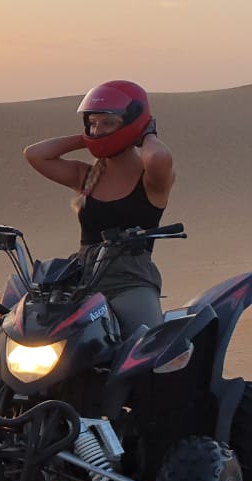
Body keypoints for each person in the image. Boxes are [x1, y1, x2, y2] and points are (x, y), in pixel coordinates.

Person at [23, 79, 175, 332]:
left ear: (131, 124)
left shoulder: (151, 180)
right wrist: (89, 138)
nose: (97, 130)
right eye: (92, 123)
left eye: (108, 123)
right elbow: (35, 153)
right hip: (81, 278)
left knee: (147, 348)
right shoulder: (86, 177)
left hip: (130, 281)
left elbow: (158, 156)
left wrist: (145, 133)